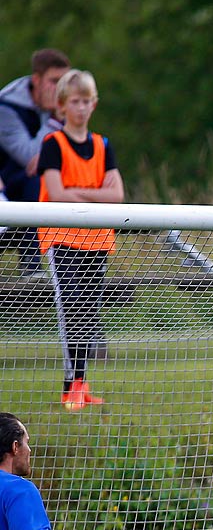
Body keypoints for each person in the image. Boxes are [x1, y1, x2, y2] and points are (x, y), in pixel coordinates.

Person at [36, 70, 124, 410]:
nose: (82, 107)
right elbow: (55, 193)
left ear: (95, 104)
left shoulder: (103, 145)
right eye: (75, 101)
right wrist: (94, 195)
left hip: (97, 240)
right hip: (62, 239)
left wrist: (79, 194)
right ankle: (70, 386)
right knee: (71, 308)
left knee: (88, 312)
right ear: (62, 105)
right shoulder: (52, 145)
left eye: (87, 101)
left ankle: (82, 385)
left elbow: (117, 196)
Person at [0, 48, 68, 277]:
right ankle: (31, 265)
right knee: (37, 179)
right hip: (9, 190)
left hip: (35, 188)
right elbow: (28, 156)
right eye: (55, 81)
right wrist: (55, 120)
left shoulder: (66, 107)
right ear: (37, 80)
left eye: (64, 81)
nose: (60, 89)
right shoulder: (7, 107)